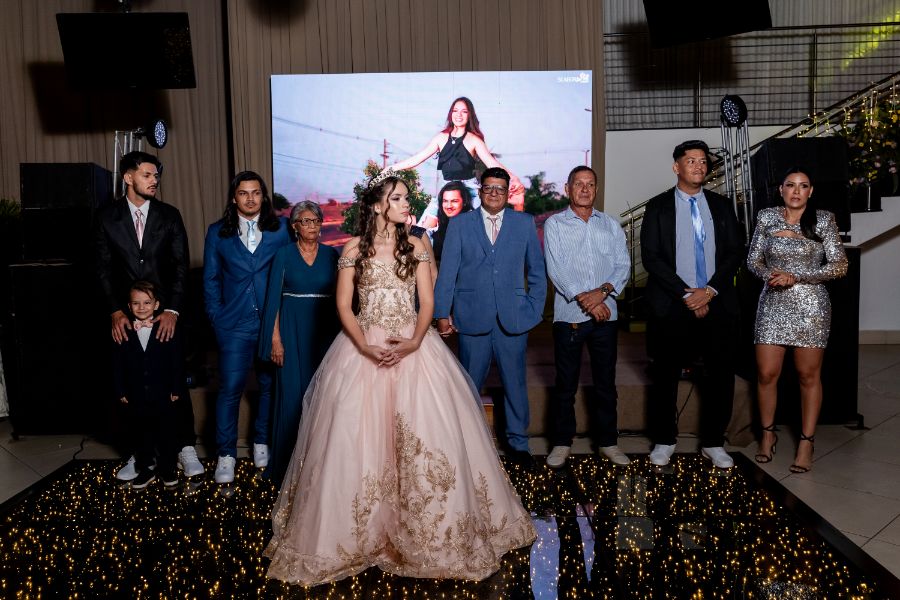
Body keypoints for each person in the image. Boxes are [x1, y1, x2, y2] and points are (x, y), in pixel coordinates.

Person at [264, 172, 535, 586]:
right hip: (363, 348)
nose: (407, 204)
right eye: (398, 198)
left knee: (426, 437)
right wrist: (364, 346)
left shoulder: (418, 245)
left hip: (413, 345)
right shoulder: (353, 248)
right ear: (377, 205)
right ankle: (360, 532)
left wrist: (412, 342)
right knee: (355, 440)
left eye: (407, 198)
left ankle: (430, 534)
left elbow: (427, 302)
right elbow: (344, 306)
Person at [95, 151, 204, 481]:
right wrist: (116, 311)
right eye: (147, 174)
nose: (154, 180)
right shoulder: (106, 217)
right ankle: (136, 453)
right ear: (128, 177)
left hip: (164, 314)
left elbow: (181, 266)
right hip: (126, 316)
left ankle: (184, 446)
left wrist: (171, 310)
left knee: (173, 380)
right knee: (129, 385)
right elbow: (101, 268)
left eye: (156, 175)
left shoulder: (169, 215)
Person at [640, 140, 744, 469]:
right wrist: (687, 294)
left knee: (721, 375)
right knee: (665, 374)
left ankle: (713, 442)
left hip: (717, 302)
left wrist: (709, 291)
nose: (699, 166)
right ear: (677, 167)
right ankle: (664, 439)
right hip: (672, 304)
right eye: (691, 161)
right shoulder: (658, 206)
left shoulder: (722, 206)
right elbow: (651, 257)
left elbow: (734, 252)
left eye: (703, 161)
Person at [433, 167, 547, 465]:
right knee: (469, 384)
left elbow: (537, 271)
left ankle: (518, 444)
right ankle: (467, 443)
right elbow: (448, 272)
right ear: (480, 191)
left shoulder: (524, 223)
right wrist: (442, 312)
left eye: (500, 188)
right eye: (489, 188)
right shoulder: (460, 224)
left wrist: (533, 309)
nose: (494, 193)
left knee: (515, 384)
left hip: (514, 318)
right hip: (472, 316)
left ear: (507, 193)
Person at [747, 167, 847, 473]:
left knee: (808, 376)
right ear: (781, 190)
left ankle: (806, 442)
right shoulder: (766, 217)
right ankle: (767, 435)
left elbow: (839, 265)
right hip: (772, 302)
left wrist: (796, 276)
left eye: (803, 186)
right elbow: (753, 260)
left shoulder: (823, 220)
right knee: (766, 374)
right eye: (790, 185)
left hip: (811, 306)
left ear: (810, 191)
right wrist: (770, 275)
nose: (796, 191)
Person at [203, 171, 293, 484]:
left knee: (269, 386)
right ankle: (226, 454)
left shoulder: (281, 229)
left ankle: (261, 442)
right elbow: (211, 279)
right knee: (230, 389)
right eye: (244, 193)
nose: (250, 199)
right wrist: (216, 317)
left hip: (270, 324)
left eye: (256, 193)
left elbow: (290, 272)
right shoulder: (218, 232)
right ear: (234, 198)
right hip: (233, 325)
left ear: (263, 197)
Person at [543, 166, 631, 468]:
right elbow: (556, 269)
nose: (584, 189)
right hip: (569, 316)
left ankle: (608, 442)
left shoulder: (610, 225)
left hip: (607, 316)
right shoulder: (555, 224)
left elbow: (623, 265)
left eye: (590, 184)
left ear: (596, 189)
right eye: (578, 184)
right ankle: (561, 442)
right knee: (565, 384)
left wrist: (602, 293)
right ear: (568, 189)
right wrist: (588, 300)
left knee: (606, 384)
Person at [258, 201, 340, 485]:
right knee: (292, 397)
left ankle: (320, 468)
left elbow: (342, 297)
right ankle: (287, 467)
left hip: (324, 331)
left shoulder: (332, 255)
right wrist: (275, 339)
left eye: (316, 221)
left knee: (323, 396)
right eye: (305, 221)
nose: (312, 226)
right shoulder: (283, 254)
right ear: (294, 226)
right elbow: (273, 300)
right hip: (290, 331)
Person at [391, 97, 525, 230]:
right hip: (447, 188)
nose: (459, 115)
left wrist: (514, 178)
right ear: (451, 114)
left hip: (470, 189)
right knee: (421, 231)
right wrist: (391, 168)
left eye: (464, 111)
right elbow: (417, 158)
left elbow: (492, 163)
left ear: (469, 115)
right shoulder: (441, 138)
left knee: (486, 228)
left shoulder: (474, 140)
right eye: (455, 111)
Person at [112, 280, 184, 489]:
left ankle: (168, 468)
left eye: (146, 302)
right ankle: (145, 468)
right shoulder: (123, 330)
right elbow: (117, 364)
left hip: (163, 393)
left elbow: (177, 361)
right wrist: (121, 389)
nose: (141, 307)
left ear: (156, 304)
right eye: (136, 303)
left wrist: (176, 388)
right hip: (136, 394)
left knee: (166, 433)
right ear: (129, 306)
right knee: (141, 433)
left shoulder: (167, 328)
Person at [431, 180, 475, 263]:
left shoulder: (472, 228)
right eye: (445, 201)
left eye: (454, 201)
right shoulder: (443, 225)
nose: (449, 206)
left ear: (464, 202)